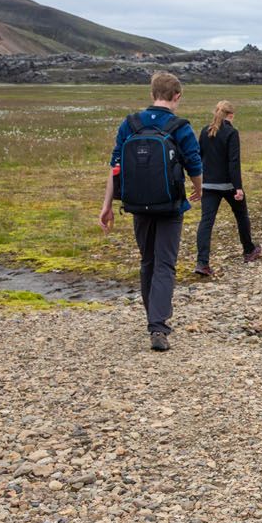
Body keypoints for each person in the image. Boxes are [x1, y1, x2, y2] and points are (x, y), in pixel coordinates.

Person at [98, 71, 203, 352]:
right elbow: (194, 163)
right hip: (170, 205)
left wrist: (107, 205)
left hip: (137, 204)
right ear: (177, 96)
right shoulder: (180, 126)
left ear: (152, 93)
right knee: (165, 264)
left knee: (148, 261)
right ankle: (158, 326)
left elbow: (115, 166)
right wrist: (199, 189)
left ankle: (152, 318)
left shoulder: (130, 123)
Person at [194, 100, 262, 276]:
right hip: (228, 185)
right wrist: (238, 188)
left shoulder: (204, 131)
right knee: (241, 215)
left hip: (208, 184)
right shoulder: (231, 132)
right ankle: (249, 250)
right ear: (231, 115)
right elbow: (234, 162)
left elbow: (198, 156)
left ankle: (202, 263)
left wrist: (199, 181)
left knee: (206, 222)